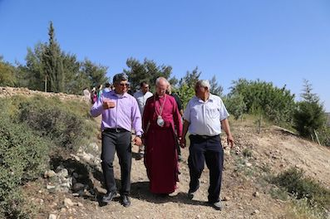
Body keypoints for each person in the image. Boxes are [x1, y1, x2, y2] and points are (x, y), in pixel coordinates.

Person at [90, 73, 143, 207]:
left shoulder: (131, 100)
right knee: (106, 161)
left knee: (126, 164)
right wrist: (103, 107)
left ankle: (125, 194)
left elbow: (136, 118)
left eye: (127, 84)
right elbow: (93, 112)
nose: (125, 86)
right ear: (115, 85)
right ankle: (111, 190)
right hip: (109, 133)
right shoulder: (105, 97)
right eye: (122, 84)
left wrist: (138, 134)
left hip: (125, 134)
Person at [180, 80, 234, 211]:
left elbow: (223, 119)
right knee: (195, 166)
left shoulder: (217, 101)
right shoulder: (192, 102)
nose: (195, 91)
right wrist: (182, 137)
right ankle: (194, 184)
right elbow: (186, 121)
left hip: (214, 140)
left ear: (205, 89)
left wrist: (229, 135)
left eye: (197, 89)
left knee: (217, 169)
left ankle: (214, 198)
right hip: (197, 140)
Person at [142, 77, 182, 195]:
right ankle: (156, 186)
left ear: (166, 88)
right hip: (154, 135)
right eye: (159, 88)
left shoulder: (171, 100)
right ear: (155, 87)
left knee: (169, 161)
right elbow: (145, 119)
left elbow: (177, 118)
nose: (161, 91)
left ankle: (169, 186)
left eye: (163, 89)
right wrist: (143, 134)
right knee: (155, 161)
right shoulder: (150, 101)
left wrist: (180, 134)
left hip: (168, 135)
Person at [133, 81, 153, 160]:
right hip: (139, 118)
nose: (146, 89)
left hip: (148, 119)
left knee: (147, 133)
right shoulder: (136, 95)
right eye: (145, 87)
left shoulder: (151, 95)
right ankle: (140, 150)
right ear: (141, 87)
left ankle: (146, 149)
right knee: (140, 133)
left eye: (147, 87)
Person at [166, 84, 184, 162]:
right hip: (166, 122)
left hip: (175, 122)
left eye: (168, 87)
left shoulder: (175, 97)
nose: (167, 88)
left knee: (175, 138)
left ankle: (178, 154)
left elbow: (180, 109)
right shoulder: (162, 97)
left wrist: (182, 119)